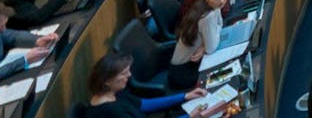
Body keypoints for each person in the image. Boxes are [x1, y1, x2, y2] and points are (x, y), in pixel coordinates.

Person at [79, 51, 214, 117]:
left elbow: (143, 105)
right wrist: (189, 117)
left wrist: (185, 96)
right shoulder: (112, 112)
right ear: (107, 80)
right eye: (124, 73)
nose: (129, 75)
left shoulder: (112, 93)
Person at [167, 0, 229, 91]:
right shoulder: (206, 16)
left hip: (193, 63)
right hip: (184, 71)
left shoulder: (210, 6)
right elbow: (211, 48)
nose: (222, 1)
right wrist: (206, 46)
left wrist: (205, 46)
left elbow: (220, 24)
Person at [0, 3, 52, 89]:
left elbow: (12, 35)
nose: (3, 30)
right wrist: (24, 61)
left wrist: (37, 40)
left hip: (2, 77)